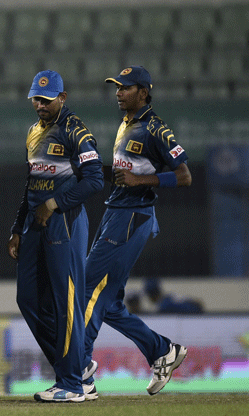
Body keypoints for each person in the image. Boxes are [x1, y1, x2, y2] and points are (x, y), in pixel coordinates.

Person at [82, 66, 191, 396]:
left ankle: (79, 373)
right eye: (116, 87)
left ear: (143, 92)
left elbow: (184, 175)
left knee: (89, 287)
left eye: (126, 88)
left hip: (133, 216)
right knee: (111, 303)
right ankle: (161, 350)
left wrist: (141, 181)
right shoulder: (128, 123)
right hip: (117, 213)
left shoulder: (155, 129)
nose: (118, 92)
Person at [6, 70, 104, 402]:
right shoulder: (33, 132)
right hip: (34, 226)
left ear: (63, 97)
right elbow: (31, 183)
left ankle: (72, 384)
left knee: (67, 304)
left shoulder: (76, 131)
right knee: (28, 299)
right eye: (36, 98)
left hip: (65, 223)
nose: (40, 105)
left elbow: (94, 179)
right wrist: (17, 229)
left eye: (46, 100)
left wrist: (54, 203)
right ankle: (78, 368)